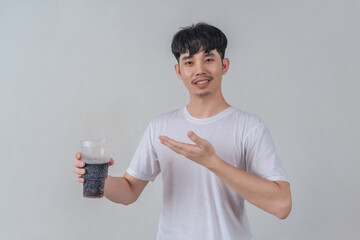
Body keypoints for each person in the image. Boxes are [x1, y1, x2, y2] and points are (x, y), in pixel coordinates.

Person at [73, 22, 292, 240]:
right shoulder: (160, 127)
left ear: (224, 65)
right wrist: (97, 178)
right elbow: (129, 191)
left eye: (208, 59)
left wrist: (212, 162)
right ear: (179, 71)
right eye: (189, 62)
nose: (200, 70)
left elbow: (282, 205)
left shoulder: (249, 127)